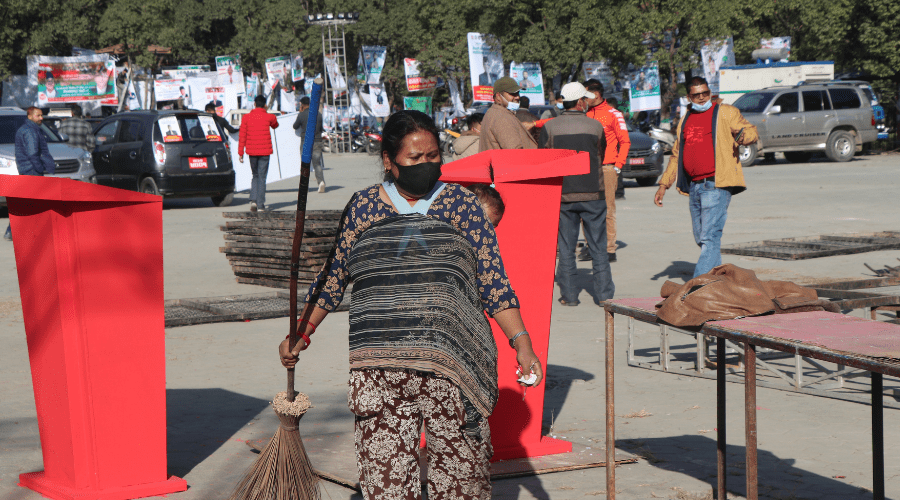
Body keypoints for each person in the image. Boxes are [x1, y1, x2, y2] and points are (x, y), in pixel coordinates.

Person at [279, 110, 542, 500]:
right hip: (380, 373)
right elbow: (333, 277)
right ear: (389, 160)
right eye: (414, 159)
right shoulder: (363, 208)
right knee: (386, 487)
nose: (426, 165)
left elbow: (492, 280)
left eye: (434, 156)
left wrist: (521, 341)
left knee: (460, 485)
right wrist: (302, 333)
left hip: (453, 373)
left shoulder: (462, 206)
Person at [654, 77, 758, 277]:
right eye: (696, 95)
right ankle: (717, 280)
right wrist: (664, 184)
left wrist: (743, 136)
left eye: (705, 94)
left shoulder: (726, 112)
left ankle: (698, 285)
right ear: (688, 97)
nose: (701, 98)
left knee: (710, 237)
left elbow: (751, 131)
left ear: (710, 93)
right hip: (694, 186)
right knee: (701, 238)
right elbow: (676, 154)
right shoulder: (685, 119)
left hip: (716, 184)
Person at [538, 82, 614, 305]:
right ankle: (604, 297)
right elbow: (602, 153)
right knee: (599, 247)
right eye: (586, 100)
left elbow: (544, 160)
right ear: (580, 102)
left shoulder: (550, 128)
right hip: (593, 194)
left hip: (563, 196)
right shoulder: (595, 127)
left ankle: (569, 296)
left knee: (566, 248)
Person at [584, 79, 631, 263]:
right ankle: (590, 246)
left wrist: (618, 166)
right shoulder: (584, 114)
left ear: (596, 94)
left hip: (607, 168)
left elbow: (625, 141)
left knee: (608, 209)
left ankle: (610, 248)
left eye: (586, 95)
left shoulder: (614, 114)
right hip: (586, 169)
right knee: (586, 209)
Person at [6, 107, 55, 241]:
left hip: (26, 169)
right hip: (32, 170)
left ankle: (11, 230)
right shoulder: (30, 130)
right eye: (38, 115)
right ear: (29, 116)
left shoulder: (27, 129)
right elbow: (32, 152)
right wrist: (39, 168)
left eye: (41, 115)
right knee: (35, 202)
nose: (41, 118)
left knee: (27, 201)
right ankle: (20, 230)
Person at [238, 95, 279, 212]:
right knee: (262, 177)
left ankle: (254, 201)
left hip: (252, 152)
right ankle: (261, 205)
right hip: (265, 152)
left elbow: (242, 135)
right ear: (265, 105)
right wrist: (266, 111)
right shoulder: (269, 116)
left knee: (255, 175)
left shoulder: (246, 117)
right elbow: (275, 125)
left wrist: (240, 152)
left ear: (254, 104)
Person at [479, 77, 538, 152]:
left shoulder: (496, 113)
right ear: (498, 96)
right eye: (513, 93)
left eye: (517, 93)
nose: (517, 97)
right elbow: (515, 152)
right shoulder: (501, 117)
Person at [292, 96, 326, 193]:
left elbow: (295, 126)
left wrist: (300, 113)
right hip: (318, 141)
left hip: (306, 141)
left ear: (302, 105)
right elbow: (321, 129)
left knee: (305, 164)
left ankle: (304, 186)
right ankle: (321, 182)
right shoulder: (318, 114)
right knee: (317, 164)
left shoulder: (301, 115)